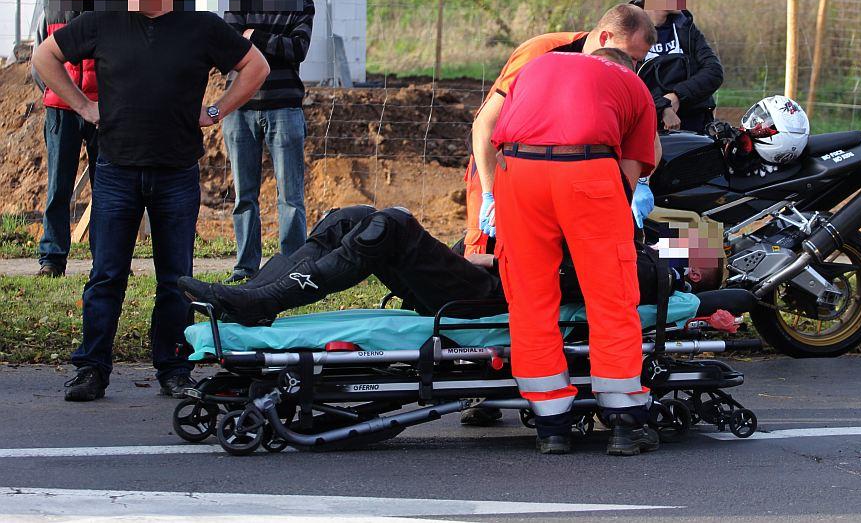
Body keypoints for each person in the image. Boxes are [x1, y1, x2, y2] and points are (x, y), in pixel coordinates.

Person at [32, 0, 271, 403]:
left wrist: (218, 109)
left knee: (175, 278)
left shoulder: (201, 27)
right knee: (106, 274)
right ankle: (91, 369)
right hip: (117, 169)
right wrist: (83, 105)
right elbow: (46, 57)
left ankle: (174, 369)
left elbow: (254, 66)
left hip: (176, 172)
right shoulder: (104, 21)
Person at [489, 47, 660, 456]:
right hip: (587, 171)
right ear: (626, 64)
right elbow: (631, 175)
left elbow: (498, 141)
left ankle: (551, 425)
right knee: (611, 295)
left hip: (517, 171)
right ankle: (623, 420)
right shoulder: (633, 84)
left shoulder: (539, 64)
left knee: (529, 297)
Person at [176, 203, 672, 326]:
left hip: (487, 298)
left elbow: (559, 280)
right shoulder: (613, 233)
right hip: (485, 278)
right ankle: (259, 299)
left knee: (391, 223)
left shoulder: (639, 267)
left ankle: (261, 300)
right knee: (351, 217)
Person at [465, 4, 657, 258]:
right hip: (501, 164)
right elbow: (485, 126)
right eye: (631, 57)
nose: (630, 68)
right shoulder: (542, 52)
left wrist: (639, 185)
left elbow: (648, 140)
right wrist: (491, 195)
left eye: (637, 61)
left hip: (554, 176)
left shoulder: (616, 73)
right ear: (604, 38)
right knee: (487, 251)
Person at [222, 0, 315, 283]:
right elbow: (229, 49)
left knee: (290, 195)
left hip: (285, 109)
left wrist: (254, 37)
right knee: (244, 194)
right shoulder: (239, 3)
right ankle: (245, 266)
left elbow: (298, 49)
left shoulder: (301, 3)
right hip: (240, 110)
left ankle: (292, 267)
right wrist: (268, 42)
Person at [32, 0, 104, 277]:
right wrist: (53, 93)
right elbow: (38, 62)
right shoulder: (53, 10)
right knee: (58, 187)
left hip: (101, 111)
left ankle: (105, 258)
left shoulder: (108, 13)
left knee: (106, 188)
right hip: (61, 110)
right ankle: (52, 258)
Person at [629, 0, 724, 133]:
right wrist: (662, 107)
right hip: (646, 130)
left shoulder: (685, 26)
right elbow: (623, 82)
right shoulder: (627, 28)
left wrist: (677, 96)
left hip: (694, 127)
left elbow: (714, 72)